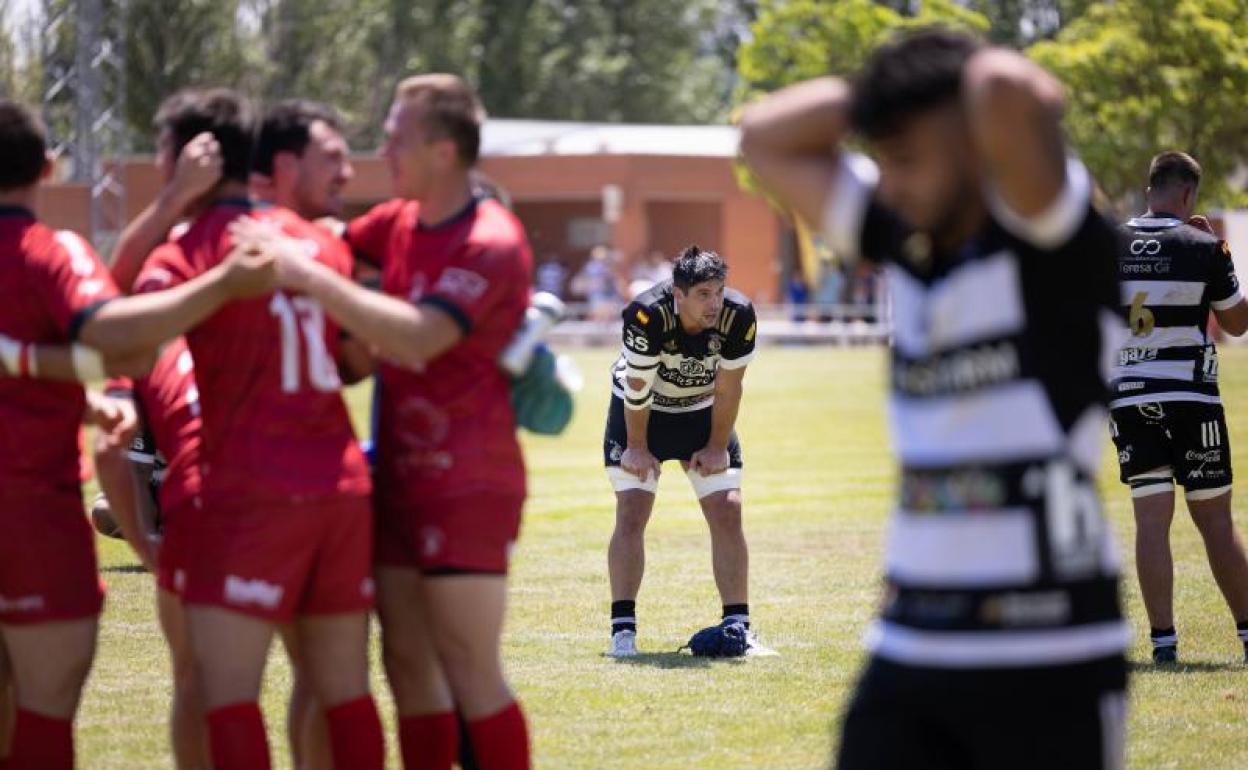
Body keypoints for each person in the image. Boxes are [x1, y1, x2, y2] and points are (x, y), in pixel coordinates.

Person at [741, 29, 1128, 769]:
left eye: (907, 160)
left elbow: (1009, 89)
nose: (888, 185)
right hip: (911, 646)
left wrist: (938, 88)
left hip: (1049, 654)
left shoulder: (1054, 243)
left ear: (971, 141)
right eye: (882, 162)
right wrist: (888, 95)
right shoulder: (907, 241)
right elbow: (763, 138)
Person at [233, 73, 532, 770]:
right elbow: (326, 238)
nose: (382, 151)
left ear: (443, 150)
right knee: (406, 665)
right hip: (396, 479)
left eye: (396, 137)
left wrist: (307, 275)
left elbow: (421, 336)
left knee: (468, 664)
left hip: (468, 484)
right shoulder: (397, 221)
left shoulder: (491, 238)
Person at [0, 97, 273, 770]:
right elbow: (111, 328)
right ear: (49, 166)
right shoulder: (51, 253)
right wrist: (220, 280)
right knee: (45, 708)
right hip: (34, 515)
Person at [133, 87, 383, 770]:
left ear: (190, 159)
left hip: (249, 490)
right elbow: (355, 357)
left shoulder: (194, 248)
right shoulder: (316, 242)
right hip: (339, 487)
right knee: (346, 692)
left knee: (228, 695)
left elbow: (111, 327)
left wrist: (168, 209)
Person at [1108, 151, 1248, 664]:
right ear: (1188, 194)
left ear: (1150, 190)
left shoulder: (1107, 244)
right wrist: (1219, 253)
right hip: (1191, 397)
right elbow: (1237, 324)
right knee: (1215, 522)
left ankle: (1164, 645)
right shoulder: (1203, 245)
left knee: (1151, 521)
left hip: (1130, 396)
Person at [602, 245, 758, 657]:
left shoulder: (738, 315)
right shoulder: (647, 314)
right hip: (642, 414)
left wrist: (717, 445)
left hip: (700, 412)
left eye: (718, 291)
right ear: (678, 294)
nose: (714, 303)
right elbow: (637, 392)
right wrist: (637, 448)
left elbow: (730, 389)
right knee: (632, 509)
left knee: (728, 507)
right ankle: (623, 632)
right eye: (703, 294)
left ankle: (739, 629)